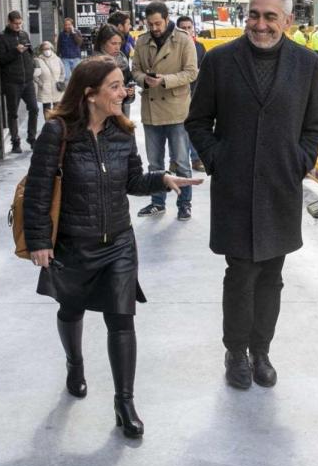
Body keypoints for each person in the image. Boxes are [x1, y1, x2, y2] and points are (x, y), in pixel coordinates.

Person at [23, 56, 201, 438]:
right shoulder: (57, 133)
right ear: (90, 94)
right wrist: (39, 241)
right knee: (70, 309)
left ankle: (125, 403)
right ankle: (74, 363)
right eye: (116, 86)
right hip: (72, 244)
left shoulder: (122, 131)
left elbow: (133, 181)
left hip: (119, 242)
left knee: (122, 319)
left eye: (124, 84)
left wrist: (163, 179)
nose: (125, 92)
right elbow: (38, 191)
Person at [186, 0, 318, 390]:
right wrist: (218, 159)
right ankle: (235, 351)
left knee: (272, 274)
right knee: (241, 272)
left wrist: (299, 162)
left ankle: (261, 350)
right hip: (236, 188)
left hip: (281, 188)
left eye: (269, 17)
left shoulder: (305, 64)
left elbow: (314, 126)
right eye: (254, 15)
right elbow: (198, 121)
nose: (260, 24)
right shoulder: (220, 61)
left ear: (287, 22)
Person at [132, 1, 199, 221]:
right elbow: (135, 71)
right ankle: (157, 202)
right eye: (150, 24)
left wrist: (164, 80)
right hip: (151, 110)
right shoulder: (142, 41)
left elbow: (191, 73)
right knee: (154, 163)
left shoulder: (183, 39)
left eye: (158, 23)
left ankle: (184, 204)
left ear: (167, 18)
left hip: (177, 110)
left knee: (181, 162)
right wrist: (145, 79)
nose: (154, 28)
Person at [0, 10, 38, 154]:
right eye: (15, 24)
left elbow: (30, 52)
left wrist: (32, 66)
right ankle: (15, 141)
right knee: (13, 113)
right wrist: (16, 51)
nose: (18, 26)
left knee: (34, 108)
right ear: (9, 22)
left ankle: (32, 138)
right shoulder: (2, 37)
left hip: (27, 80)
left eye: (20, 23)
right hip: (12, 81)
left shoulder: (24, 34)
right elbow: (1, 59)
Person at [176, 15, 207, 172]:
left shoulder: (200, 47)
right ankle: (176, 160)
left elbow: (205, 71)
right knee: (178, 130)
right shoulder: (174, 48)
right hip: (178, 95)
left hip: (196, 93)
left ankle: (196, 159)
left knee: (194, 128)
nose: (187, 31)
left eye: (189, 27)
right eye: (183, 28)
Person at [95, 24, 136, 118]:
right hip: (101, 114)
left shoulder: (122, 60)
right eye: (113, 43)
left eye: (119, 43)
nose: (117, 47)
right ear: (103, 43)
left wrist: (129, 92)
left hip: (121, 112)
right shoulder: (94, 63)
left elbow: (129, 80)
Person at [34, 41, 65, 115]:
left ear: (51, 49)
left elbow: (63, 72)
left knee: (57, 108)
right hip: (45, 88)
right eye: (45, 49)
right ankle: (48, 124)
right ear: (41, 50)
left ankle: (56, 123)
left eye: (48, 48)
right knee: (46, 108)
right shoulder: (38, 60)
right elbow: (35, 75)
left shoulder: (57, 59)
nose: (47, 50)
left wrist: (60, 81)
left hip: (56, 87)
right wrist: (41, 83)